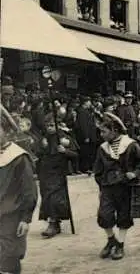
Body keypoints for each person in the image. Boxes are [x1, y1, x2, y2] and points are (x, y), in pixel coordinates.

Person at [93, 112, 140, 260]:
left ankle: (120, 244)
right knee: (104, 215)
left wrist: (135, 173)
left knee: (124, 216)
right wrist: (102, 184)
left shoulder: (130, 145)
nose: (101, 135)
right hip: (107, 187)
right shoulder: (102, 148)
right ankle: (110, 239)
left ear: (115, 130)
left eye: (104, 131)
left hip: (124, 187)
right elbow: (98, 170)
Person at [0, 132, 38, 274]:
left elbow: (29, 189)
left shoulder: (18, 157)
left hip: (11, 215)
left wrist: (25, 218)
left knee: (9, 258)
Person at [36, 113, 79, 238]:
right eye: (47, 125)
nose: (49, 128)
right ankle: (54, 221)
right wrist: (42, 147)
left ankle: (53, 223)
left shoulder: (64, 137)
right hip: (45, 172)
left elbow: (75, 154)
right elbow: (38, 153)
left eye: (51, 125)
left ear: (57, 125)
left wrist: (65, 151)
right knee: (46, 197)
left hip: (58, 172)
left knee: (55, 197)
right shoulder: (44, 138)